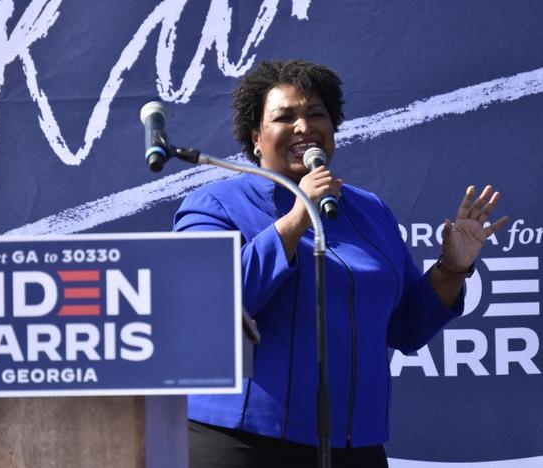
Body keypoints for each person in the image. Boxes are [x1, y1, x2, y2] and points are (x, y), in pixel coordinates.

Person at [173, 59, 508, 468]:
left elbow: (406, 329)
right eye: (285, 117)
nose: (304, 127)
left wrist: (452, 268)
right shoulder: (215, 205)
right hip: (242, 443)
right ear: (255, 137)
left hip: (355, 448)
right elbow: (212, 306)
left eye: (317, 114)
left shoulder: (370, 210)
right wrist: (299, 216)